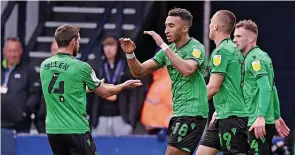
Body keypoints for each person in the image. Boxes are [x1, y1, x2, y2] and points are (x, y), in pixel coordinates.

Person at [39, 24, 142, 155]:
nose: (79, 45)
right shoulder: (81, 67)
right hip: (75, 129)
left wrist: (88, 89)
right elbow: (104, 92)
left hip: (53, 130)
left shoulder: (45, 65)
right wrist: (124, 86)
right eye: (79, 41)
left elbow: (66, 90)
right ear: (73, 42)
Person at [120, 8, 208, 155]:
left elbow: (187, 69)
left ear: (185, 28)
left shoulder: (196, 48)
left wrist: (163, 45)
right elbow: (139, 71)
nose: (166, 30)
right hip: (178, 113)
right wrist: (130, 54)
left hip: (193, 112)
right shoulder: (167, 51)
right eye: (166, 25)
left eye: (171, 26)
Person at [233, 19, 290, 155]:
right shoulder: (262, 55)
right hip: (256, 120)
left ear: (251, 38)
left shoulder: (255, 58)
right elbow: (272, 87)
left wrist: (260, 117)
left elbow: (265, 88)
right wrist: (276, 116)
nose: (234, 40)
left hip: (257, 122)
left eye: (238, 36)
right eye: (234, 36)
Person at [196, 10, 248, 155]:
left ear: (216, 26)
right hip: (222, 115)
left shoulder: (221, 52)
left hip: (232, 118)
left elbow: (213, 87)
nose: (209, 25)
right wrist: (218, 109)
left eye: (211, 22)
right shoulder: (234, 50)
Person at [91, 36, 136, 136]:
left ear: (118, 47)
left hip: (121, 118)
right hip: (101, 118)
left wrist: (130, 122)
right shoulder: (98, 68)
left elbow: (133, 96)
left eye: (112, 45)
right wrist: (92, 121)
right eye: (106, 45)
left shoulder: (126, 67)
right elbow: (92, 96)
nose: (108, 49)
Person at [1, 37, 41, 133]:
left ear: (20, 52)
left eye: (15, 51)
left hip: (19, 127)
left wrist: (25, 112)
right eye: (10, 51)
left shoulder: (29, 71)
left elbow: (35, 95)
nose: (12, 54)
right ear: (4, 52)